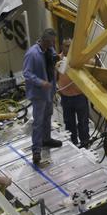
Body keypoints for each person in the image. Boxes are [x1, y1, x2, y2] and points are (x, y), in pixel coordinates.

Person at [23, 28, 61, 166]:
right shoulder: (32, 54)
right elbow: (26, 74)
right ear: (45, 41)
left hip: (49, 90)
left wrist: (58, 59)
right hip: (39, 94)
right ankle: (36, 150)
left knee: (48, 115)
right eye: (51, 42)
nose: (53, 44)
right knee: (38, 122)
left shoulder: (49, 50)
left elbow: (52, 59)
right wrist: (41, 82)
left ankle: (46, 139)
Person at [57, 40, 90, 148]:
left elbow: (94, 63)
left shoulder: (79, 60)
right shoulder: (57, 59)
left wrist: (96, 57)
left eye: (71, 46)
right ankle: (73, 143)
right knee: (69, 122)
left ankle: (85, 143)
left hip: (80, 96)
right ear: (62, 46)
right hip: (65, 97)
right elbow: (53, 75)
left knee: (83, 122)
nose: (69, 49)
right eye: (66, 46)